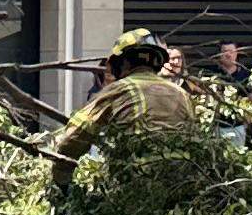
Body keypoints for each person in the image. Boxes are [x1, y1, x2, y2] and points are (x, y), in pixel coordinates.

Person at [45, 30, 201, 193]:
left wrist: (61, 180)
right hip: (182, 187)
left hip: (134, 188)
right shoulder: (181, 94)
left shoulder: (118, 90)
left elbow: (76, 135)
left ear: (122, 62)